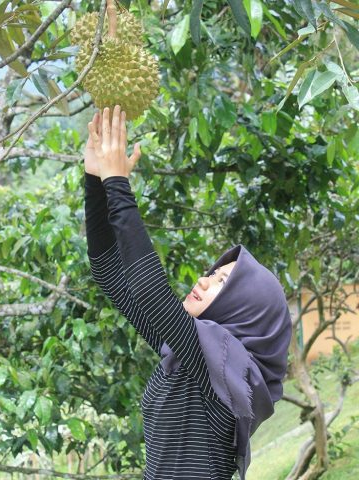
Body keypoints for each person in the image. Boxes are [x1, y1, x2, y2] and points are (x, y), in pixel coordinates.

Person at [84, 105, 292, 480]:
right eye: (212, 273)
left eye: (221, 282)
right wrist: (94, 178)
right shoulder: (188, 357)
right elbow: (109, 272)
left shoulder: (226, 374)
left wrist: (117, 183)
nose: (203, 280)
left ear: (245, 311)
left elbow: (151, 292)